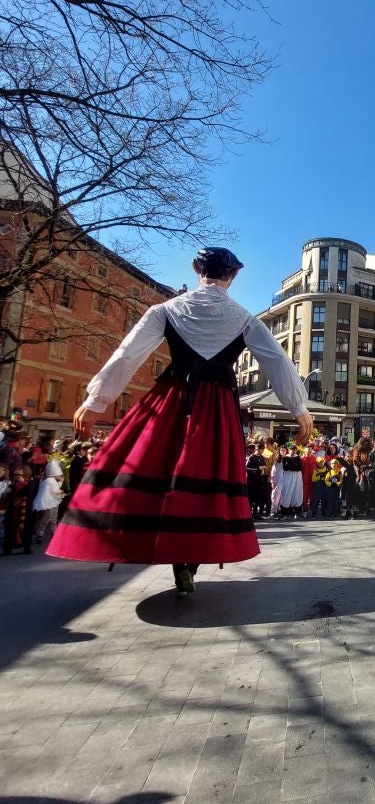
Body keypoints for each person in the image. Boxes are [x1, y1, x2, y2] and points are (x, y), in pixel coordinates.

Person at [47, 247, 312, 593]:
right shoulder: (244, 318)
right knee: (209, 479)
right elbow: (277, 360)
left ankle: (152, 545)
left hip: (172, 401)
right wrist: (298, 407)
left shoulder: (166, 310)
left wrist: (97, 400)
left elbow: (128, 354)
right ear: (233, 276)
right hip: (215, 407)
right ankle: (189, 561)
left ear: (196, 268)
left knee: (157, 470)